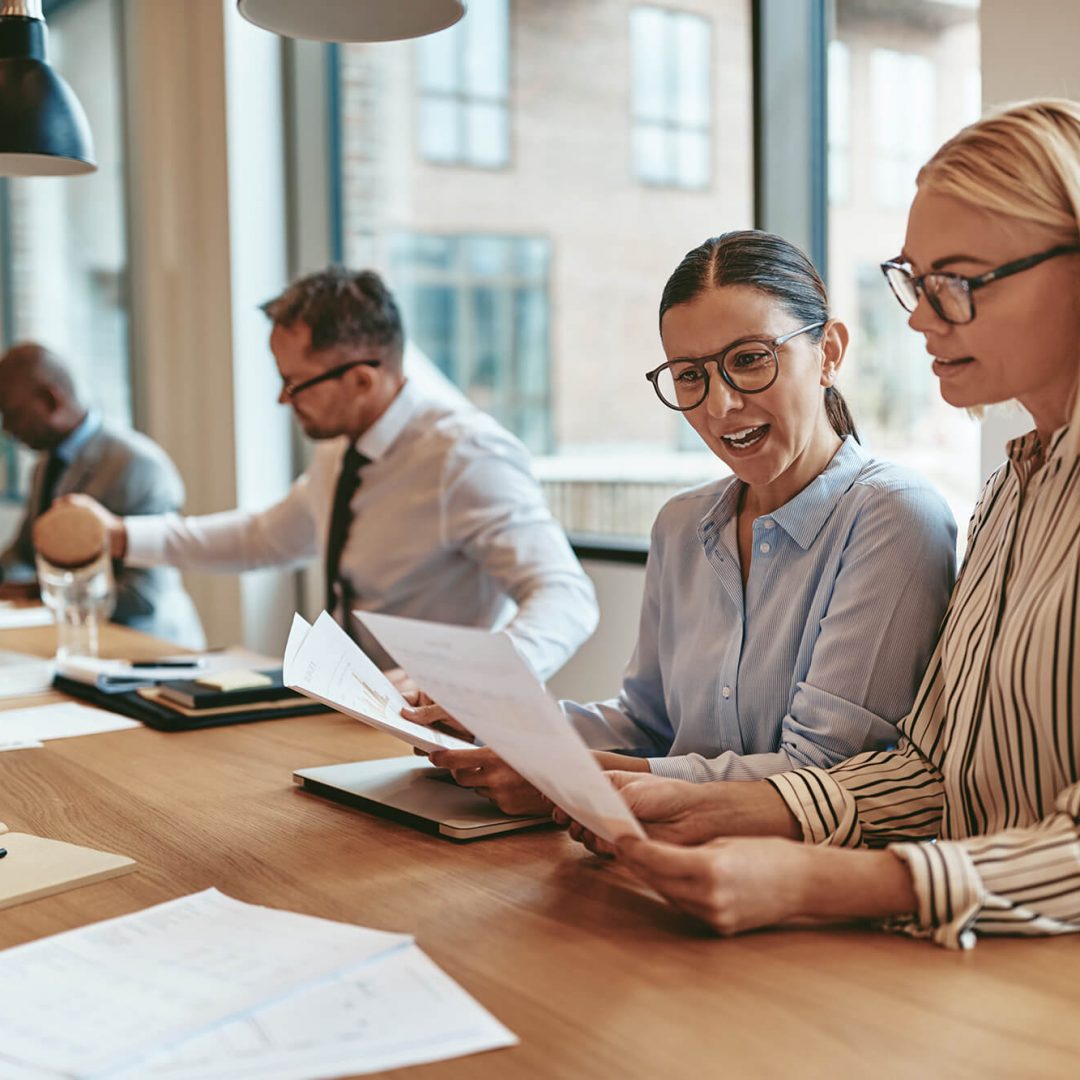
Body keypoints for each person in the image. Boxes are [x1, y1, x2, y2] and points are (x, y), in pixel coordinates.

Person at [566, 99, 1080, 951]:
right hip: (973, 949)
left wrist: (819, 875)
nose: (917, 316)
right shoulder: (1012, 495)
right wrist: (718, 804)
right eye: (914, 282)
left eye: (955, 281)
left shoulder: (904, 510)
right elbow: (929, 772)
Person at [414, 231, 956, 813]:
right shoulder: (682, 524)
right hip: (659, 854)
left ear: (829, 352)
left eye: (749, 360)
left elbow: (823, 773)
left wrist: (570, 776)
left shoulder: (892, 515)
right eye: (690, 375)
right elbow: (647, 723)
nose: (719, 405)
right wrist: (505, 722)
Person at [67, 268, 597, 682]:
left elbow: (564, 596)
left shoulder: (464, 455)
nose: (282, 399)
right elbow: (264, 538)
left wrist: (470, 684)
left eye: (295, 384)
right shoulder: (344, 450)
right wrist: (120, 536)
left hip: (449, 737)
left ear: (363, 379)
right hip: (355, 711)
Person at [0, 343, 205, 648]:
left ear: (50, 399)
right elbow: (25, 553)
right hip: (79, 646)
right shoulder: (45, 466)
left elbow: (142, 597)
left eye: (13, 414)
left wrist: (39, 592)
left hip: (149, 650)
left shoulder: (137, 464)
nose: (7, 428)